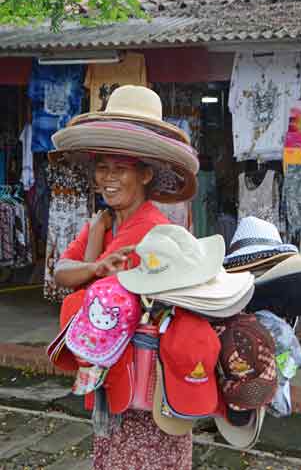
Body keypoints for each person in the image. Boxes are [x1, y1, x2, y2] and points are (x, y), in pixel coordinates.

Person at [54, 153, 193, 470]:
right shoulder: (103, 224)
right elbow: (62, 271)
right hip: (115, 378)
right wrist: (95, 263)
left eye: (120, 169)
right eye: (102, 168)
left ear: (145, 176)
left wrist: (90, 262)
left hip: (146, 384)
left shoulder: (154, 231)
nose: (108, 177)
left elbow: (89, 301)